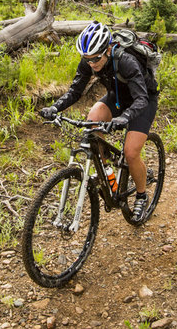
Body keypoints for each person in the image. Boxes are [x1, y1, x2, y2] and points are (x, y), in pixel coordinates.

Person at [39, 21, 159, 222]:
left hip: (142, 101)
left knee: (130, 152)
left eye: (95, 58)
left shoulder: (126, 61)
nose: (91, 63)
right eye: (87, 59)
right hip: (117, 98)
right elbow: (75, 91)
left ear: (108, 49)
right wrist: (55, 107)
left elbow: (141, 99)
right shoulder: (88, 61)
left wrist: (124, 118)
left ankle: (141, 194)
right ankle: (109, 172)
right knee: (93, 120)